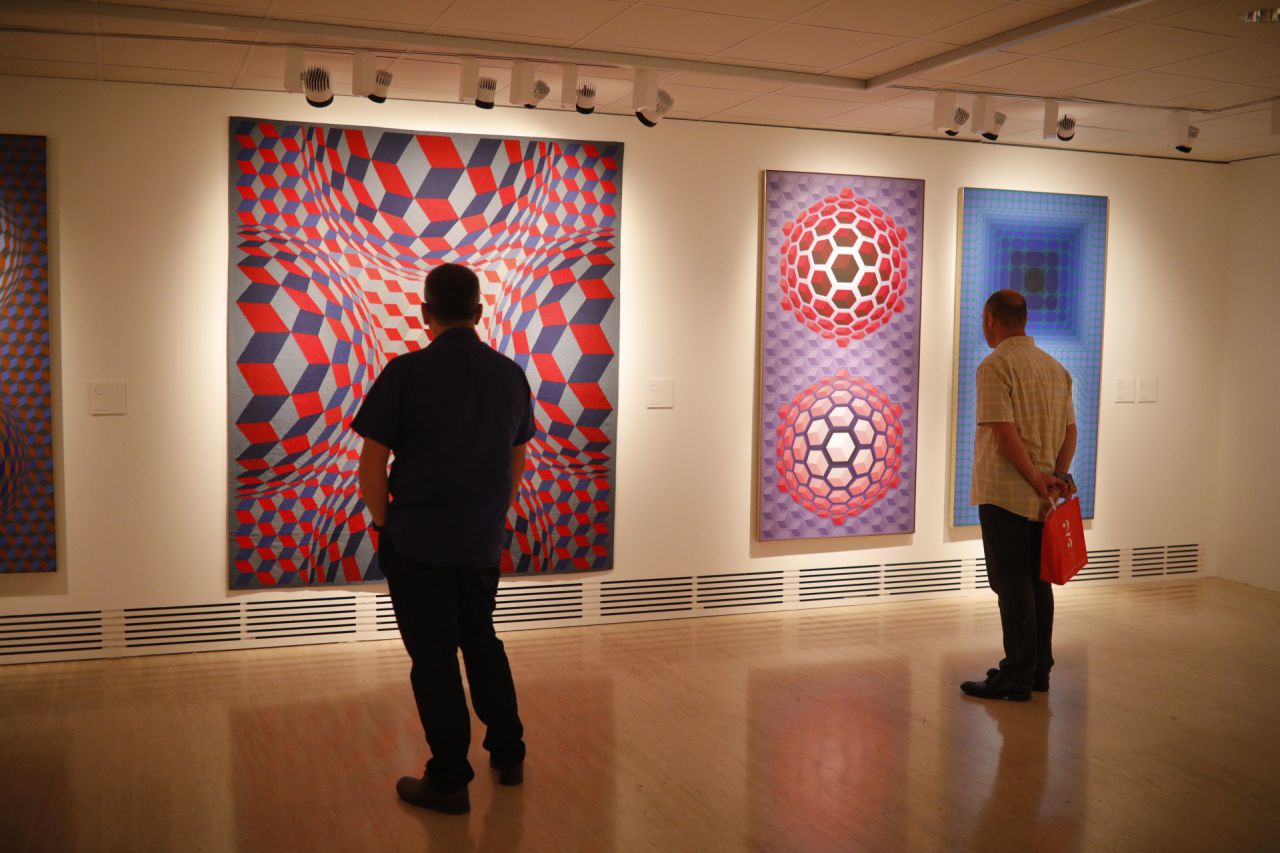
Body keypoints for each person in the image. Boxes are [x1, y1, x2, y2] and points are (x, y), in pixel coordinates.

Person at [352, 262, 534, 814]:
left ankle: (450, 780)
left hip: (418, 543)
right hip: (480, 541)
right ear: (478, 312)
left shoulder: (406, 373)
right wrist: (492, 514)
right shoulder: (509, 375)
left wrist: (382, 523)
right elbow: (517, 458)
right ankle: (509, 753)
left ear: (424, 313)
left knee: (433, 658)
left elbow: (372, 463)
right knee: (481, 641)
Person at [961, 289, 1077, 702]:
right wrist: (1056, 476)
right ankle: (1038, 670)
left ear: (990, 319)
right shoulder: (1055, 369)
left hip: (1006, 493)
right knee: (1037, 582)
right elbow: (1071, 431)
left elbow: (1004, 433)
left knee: (1011, 585)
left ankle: (1016, 675)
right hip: (1042, 499)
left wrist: (1034, 478)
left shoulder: (996, 365)